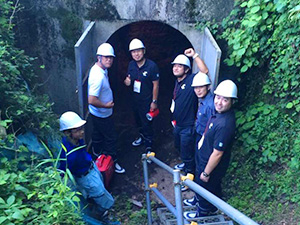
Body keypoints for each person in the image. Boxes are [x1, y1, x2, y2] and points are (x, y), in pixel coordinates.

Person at [184, 80, 238, 218]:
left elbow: (218, 153)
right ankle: (201, 202)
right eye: (218, 97)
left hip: (211, 163)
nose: (219, 102)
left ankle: (202, 212)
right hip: (203, 157)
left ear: (232, 102)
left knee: (206, 185)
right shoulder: (217, 113)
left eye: (225, 100)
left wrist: (207, 173)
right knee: (201, 184)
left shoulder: (225, 124)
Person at [58, 111, 114, 218]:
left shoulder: (78, 140)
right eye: (77, 130)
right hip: (85, 177)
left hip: (91, 167)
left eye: (81, 128)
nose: (82, 132)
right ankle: (100, 213)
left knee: (99, 188)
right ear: (67, 132)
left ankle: (96, 204)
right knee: (102, 195)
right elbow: (62, 170)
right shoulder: (67, 153)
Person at [171, 48, 208, 178]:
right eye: (174, 66)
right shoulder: (177, 82)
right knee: (179, 146)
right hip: (178, 124)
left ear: (186, 69)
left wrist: (195, 56)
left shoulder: (192, 80)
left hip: (188, 125)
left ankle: (189, 177)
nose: (175, 68)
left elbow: (205, 72)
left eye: (179, 66)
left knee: (187, 152)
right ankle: (185, 164)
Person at [88, 43, 125, 174]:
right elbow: (91, 100)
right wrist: (106, 105)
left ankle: (96, 155)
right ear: (99, 58)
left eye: (111, 57)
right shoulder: (97, 76)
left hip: (98, 113)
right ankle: (112, 162)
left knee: (97, 134)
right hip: (102, 113)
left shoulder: (101, 70)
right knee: (111, 138)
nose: (109, 60)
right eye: (106, 57)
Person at [183, 72, 215, 206]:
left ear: (208, 87)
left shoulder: (210, 104)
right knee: (197, 166)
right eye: (196, 88)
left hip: (205, 140)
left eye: (201, 87)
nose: (198, 90)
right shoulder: (203, 101)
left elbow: (212, 127)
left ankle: (202, 202)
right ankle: (198, 197)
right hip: (199, 136)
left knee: (202, 168)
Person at [124, 38, 159, 152]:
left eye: (138, 51)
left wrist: (154, 102)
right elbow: (128, 79)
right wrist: (127, 82)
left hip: (147, 101)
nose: (136, 54)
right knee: (137, 120)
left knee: (147, 123)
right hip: (135, 100)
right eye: (133, 52)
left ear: (143, 51)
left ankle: (149, 146)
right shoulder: (131, 65)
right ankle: (141, 137)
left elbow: (155, 85)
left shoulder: (151, 66)